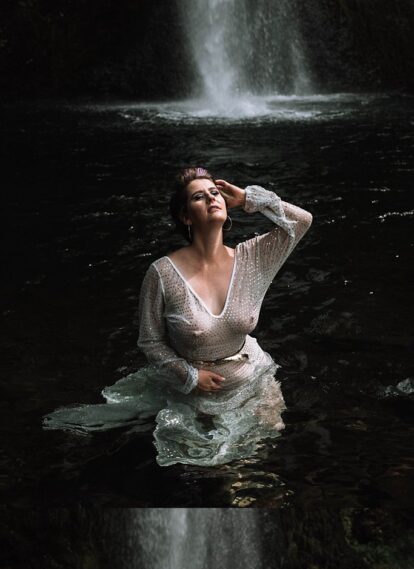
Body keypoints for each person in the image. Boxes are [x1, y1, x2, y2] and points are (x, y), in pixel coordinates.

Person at [43, 169, 312, 464]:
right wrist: (189, 376)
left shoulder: (254, 257)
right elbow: (150, 341)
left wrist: (250, 198)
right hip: (195, 390)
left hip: (252, 380)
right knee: (209, 467)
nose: (211, 198)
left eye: (215, 192)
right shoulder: (162, 273)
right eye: (199, 196)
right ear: (186, 217)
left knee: (262, 456)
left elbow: (302, 222)